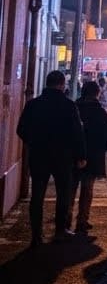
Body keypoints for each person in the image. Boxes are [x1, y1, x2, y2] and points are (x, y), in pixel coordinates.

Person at [16, 71, 87, 249]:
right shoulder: (68, 105)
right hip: (63, 156)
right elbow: (77, 133)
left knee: (37, 194)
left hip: (39, 154)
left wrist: (33, 141)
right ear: (62, 84)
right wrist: (80, 155)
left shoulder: (33, 105)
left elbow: (21, 129)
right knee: (63, 193)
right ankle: (60, 231)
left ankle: (36, 234)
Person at [72, 80, 107, 234]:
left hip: (72, 155)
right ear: (97, 93)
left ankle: (65, 219)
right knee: (87, 190)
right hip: (93, 155)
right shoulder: (99, 112)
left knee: (70, 188)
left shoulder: (74, 108)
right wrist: (101, 149)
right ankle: (82, 220)